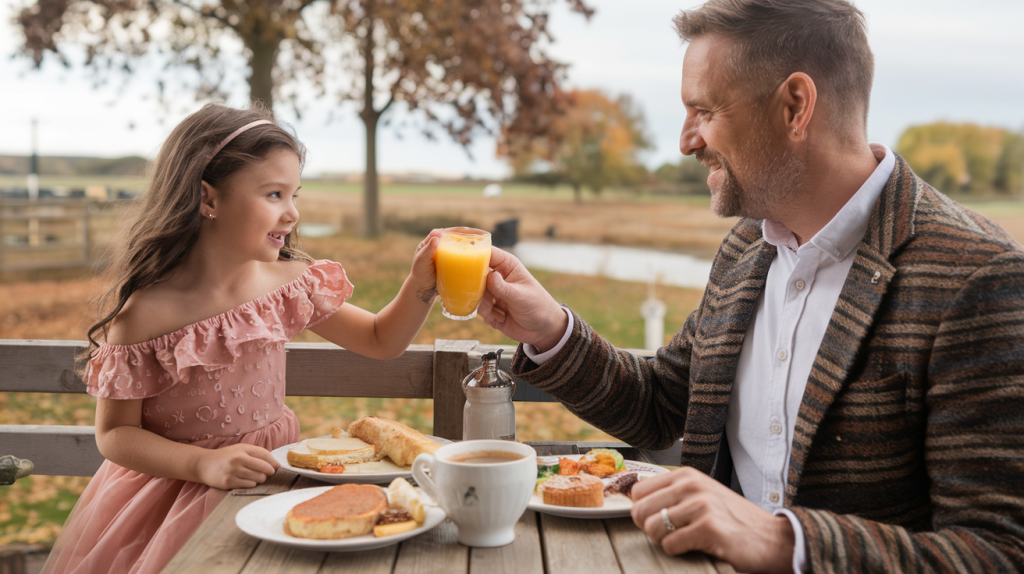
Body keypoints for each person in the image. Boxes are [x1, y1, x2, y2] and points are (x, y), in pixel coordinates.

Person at [478, 1, 1024, 572]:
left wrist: (782, 543)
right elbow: (666, 404)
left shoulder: (980, 278)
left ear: (795, 106)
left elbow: (1000, 551)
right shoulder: (748, 248)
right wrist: (552, 331)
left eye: (704, 111)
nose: (687, 141)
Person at [41, 103, 441, 574]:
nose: (291, 213)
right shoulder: (146, 314)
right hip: (175, 499)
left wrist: (423, 282)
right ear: (208, 199)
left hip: (271, 483)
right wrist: (201, 466)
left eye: (294, 195)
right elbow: (114, 435)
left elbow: (380, 340)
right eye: (274, 194)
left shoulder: (289, 286)